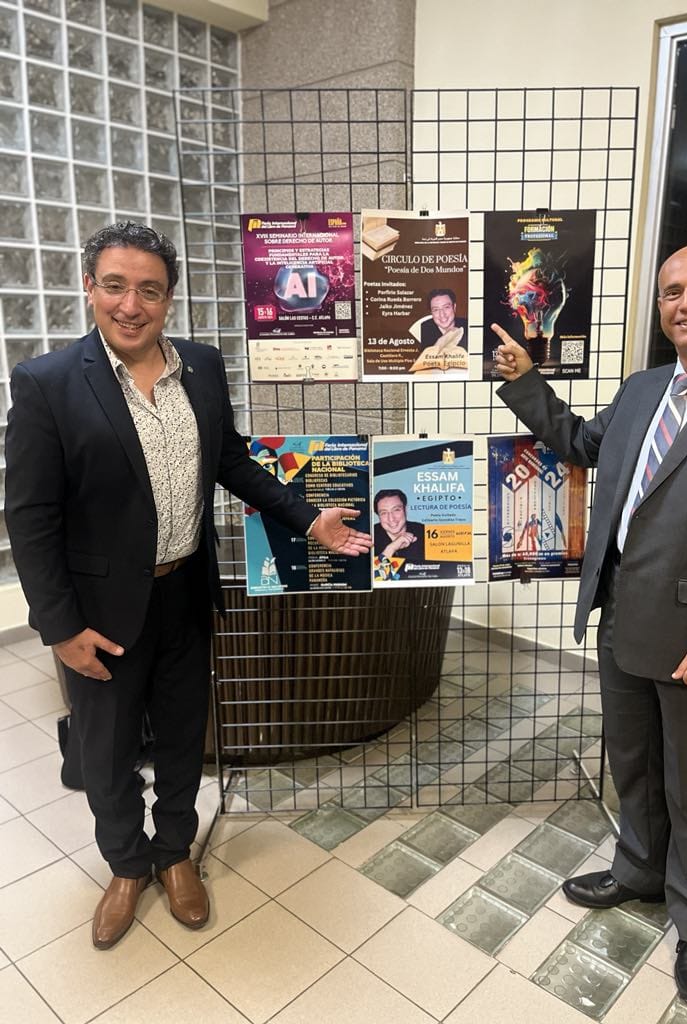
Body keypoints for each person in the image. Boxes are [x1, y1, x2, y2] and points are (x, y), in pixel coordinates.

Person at [4, 221, 372, 951]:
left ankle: (175, 853)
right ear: (90, 288)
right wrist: (60, 628)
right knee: (107, 753)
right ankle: (125, 864)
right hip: (101, 611)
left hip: (185, 593)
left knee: (180, 738)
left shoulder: (200, 366)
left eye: (149, 290)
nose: (131, 304)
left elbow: (230, 461)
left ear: (169, 298)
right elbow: (31, 517)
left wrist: (309, 520)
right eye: (115, 286)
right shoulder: (47, 383)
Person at [492, 242, 687, 1007]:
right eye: (672, 291)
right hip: (622, 618)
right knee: (635, 764)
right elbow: (584, 444)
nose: (686, 302)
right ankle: (641, 870)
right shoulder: (646, 388)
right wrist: (526, 381)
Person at [373, 489, 425, 567]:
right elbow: (376, 572)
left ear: (405, 510)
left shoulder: (424, 532)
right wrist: (391, 548)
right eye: (384, 513)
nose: (391, 519)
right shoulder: (369, 536)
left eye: (396, 510)